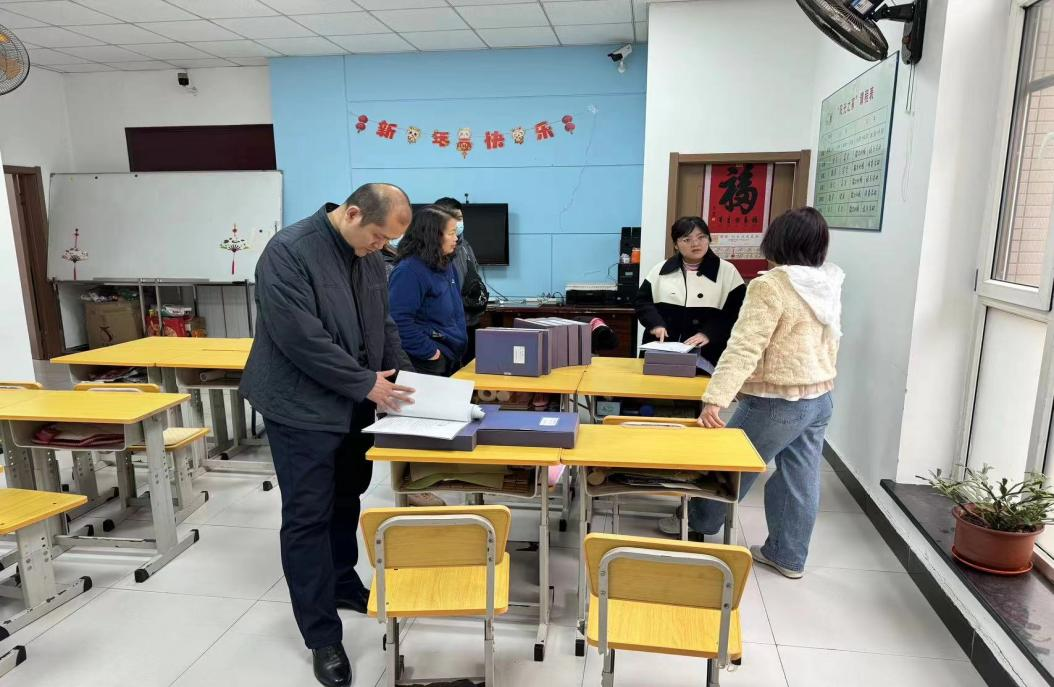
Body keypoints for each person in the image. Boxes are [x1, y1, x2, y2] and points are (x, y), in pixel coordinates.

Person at [240, 183, 415, 687]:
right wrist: (366, 383)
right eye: (378, 236)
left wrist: (406, 378)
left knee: (347, 495)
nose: (381, 247)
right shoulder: (289, 252)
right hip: (300, 405)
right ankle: (322, 636)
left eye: (388, 241)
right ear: (353, 213)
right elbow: (300, 338)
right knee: (308, 516)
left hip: (353, 401)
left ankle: (341, 580)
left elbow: (383, 324)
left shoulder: (369, 257)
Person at [680, 207, 843, 580]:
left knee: (729, 467)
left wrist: (716, 397)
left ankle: (697, 524)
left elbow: (744, 346)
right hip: (819, 397)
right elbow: (832, 338)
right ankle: (787, 555)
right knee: (800, 477)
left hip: (776, 399)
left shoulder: (771, 286)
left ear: (778, 241)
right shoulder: (828, 280)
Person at [635, 217, 746, 366]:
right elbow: (642, 301)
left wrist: (709, 333)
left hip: (708, 350)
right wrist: (655, 324)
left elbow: (738, 310)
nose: (695, 244)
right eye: (687, 239)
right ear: (676, 245)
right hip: (663, 348)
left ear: (709, 239)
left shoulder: (728, 271)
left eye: (701, 237)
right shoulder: (660, 269)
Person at [389, 204, 468, 376]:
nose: (456, 238)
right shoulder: (408, 271)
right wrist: (430, 353)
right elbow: (398, 320)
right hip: (428, 362)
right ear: (433, 236)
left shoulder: (447, 264)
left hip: (451, 355)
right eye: (451, 233)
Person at [434, 197, 488, 364]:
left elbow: (474, 273)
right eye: (455, 218)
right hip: (450, 326)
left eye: (460, 218)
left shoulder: (465, 245)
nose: (459, 223)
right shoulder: (435, 251)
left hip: (471, 319)